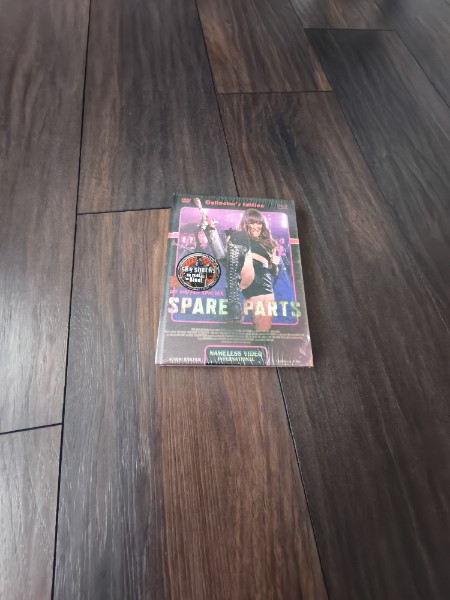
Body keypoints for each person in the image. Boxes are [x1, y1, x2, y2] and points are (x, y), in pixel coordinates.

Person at [235, 209, 280, 330]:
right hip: (247, 289)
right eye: (252, 222)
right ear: (246, 224)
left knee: (262, 330)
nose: (256, 226)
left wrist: (274, 264)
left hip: (265, 291)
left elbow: (273, 273)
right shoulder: (240, 240)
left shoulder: (269, 244)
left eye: (259, 223)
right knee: (240, 330)